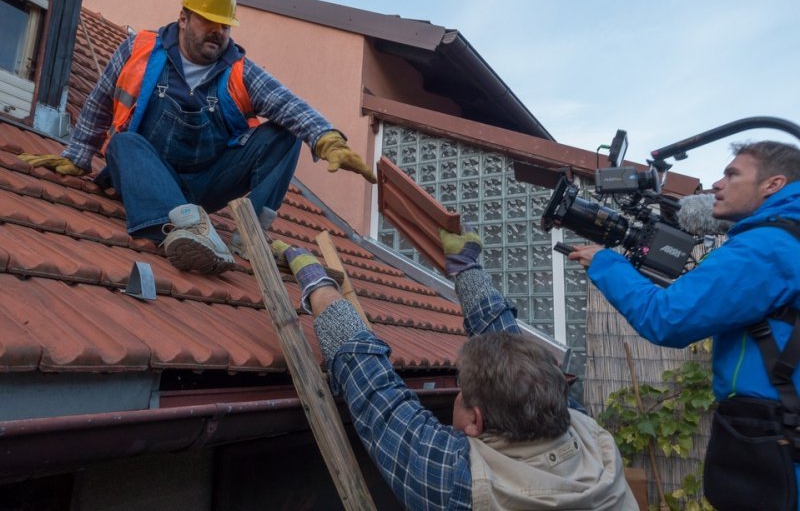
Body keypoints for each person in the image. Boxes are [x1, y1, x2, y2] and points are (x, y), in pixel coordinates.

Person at [19, 0, 375, 274]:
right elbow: (98, 100)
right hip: (149, 174)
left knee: (287, 135)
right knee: (124, 144)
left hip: (208, 182)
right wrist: (79, 154)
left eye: (225, 25)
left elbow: (288, 105)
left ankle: (248, 239)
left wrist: (327, 138)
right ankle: (180, 229)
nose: (218, 32)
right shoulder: (139, 50)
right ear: (185, 17)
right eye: (209, 21)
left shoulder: (240, 71)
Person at [272, 228, 637, 510]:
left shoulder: (462, 484)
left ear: (475, 421)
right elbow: (506, 342)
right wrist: (467, 268)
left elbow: (371, 384)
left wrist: (315, 280)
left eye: (461, 394)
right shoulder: (591, 437)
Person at [567, 140, 800, 510]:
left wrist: (606, 264)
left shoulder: (767, 247)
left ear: (773, 184)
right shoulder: (787, 238)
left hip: (777, 438)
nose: (717, 184)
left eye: (732, 173)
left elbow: (667, 318)